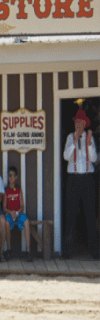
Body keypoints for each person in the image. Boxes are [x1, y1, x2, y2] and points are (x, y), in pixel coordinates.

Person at [63, 109, 98, 260]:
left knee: (90, 214)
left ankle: (95, 251)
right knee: (70, 214)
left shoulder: (90, 138)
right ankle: (67, 251)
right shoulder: (70, 137)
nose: (78, 125)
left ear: (85, 124)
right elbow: (65, 156)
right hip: (74, 179)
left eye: (81, 122)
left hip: (88, 179)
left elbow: (95, 159)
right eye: (76, 122)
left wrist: (89, 144)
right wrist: (75, 142)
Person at [4, 166, 33, 261]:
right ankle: (9, 249)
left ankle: (28, 251)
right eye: (10, 175)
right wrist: (11, 212)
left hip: (18, 213)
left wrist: (17, 212)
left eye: (13, 175)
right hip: (9, 213)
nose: (11, 178)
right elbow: (4, 207)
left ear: (16, 177)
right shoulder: (6, 191)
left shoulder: (18, 190)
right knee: (7, 223)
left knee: (27, 222)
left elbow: (22, 206)